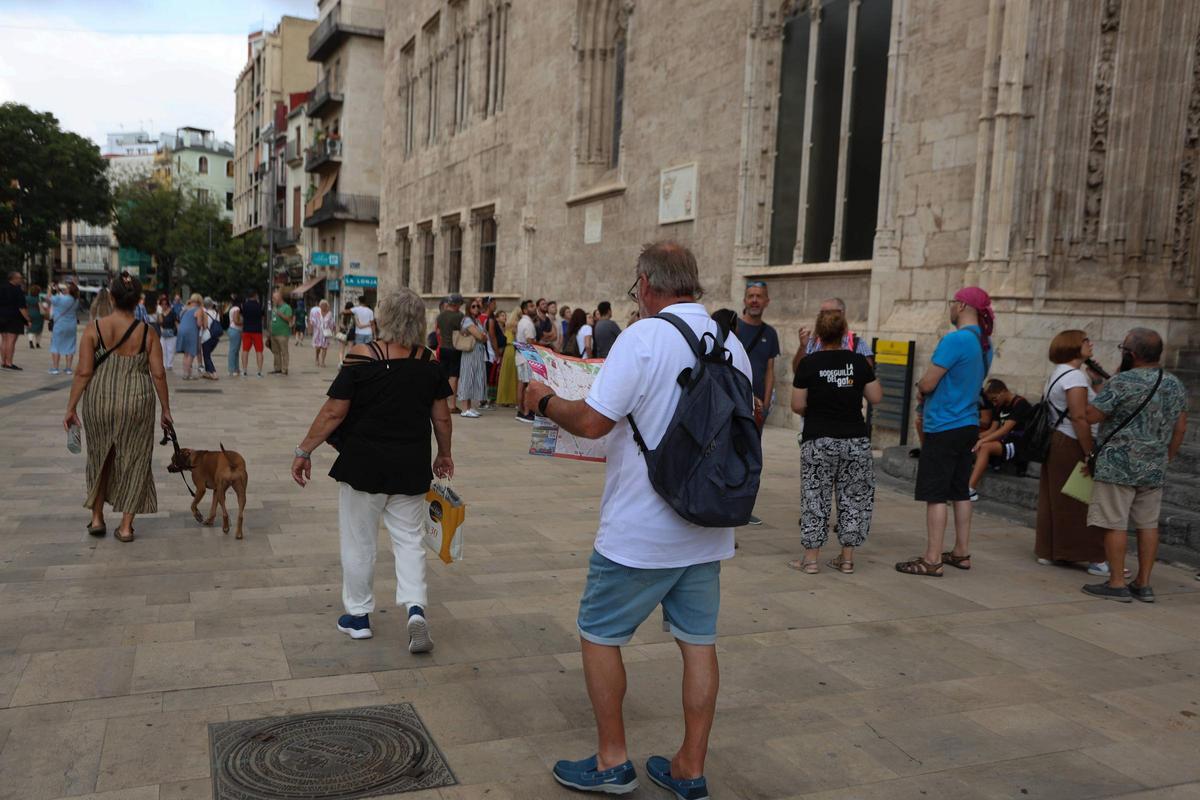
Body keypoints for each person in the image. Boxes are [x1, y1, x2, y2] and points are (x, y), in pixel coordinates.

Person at [524, 242, 750, 797]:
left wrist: (544, 401)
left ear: (646, 285)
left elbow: (593, 422)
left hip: (639, 531)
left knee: (598, 635)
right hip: (707, 524)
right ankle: (690, 770)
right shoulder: (733, 346)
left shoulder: (643, 338)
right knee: (699, 644)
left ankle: (612, 760)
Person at [291, 287, 453, 652]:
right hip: (410, 466)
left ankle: (359, 617)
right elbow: (441, 417)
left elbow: (335, 411)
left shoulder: (362, 356)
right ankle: (415, 609)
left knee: (359, 541)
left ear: (384, 318)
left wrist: (305, 450)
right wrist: (444, 454)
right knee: (409, 541)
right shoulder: (429, 362)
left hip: (363, 464)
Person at [1081, 328, 1188, 603]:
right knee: (1147, 525)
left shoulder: (1122, 382)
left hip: (1118, 465)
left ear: (1132, 354)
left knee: (1115, 523)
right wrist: (1167, 457)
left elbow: (1091, 416)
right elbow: (1180, 428)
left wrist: (1101, 386)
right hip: (1153, 466)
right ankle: (1144, 583)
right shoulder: (1174, 383)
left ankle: (1117, 583)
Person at [63, 273, 171, 543]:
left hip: (100, 400)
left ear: (111, 298)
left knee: (100, 457)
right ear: (138, 302)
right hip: (137, 401)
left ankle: (97, 518)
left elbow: (84, 372)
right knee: (135, 459)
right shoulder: (148, 333)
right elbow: (158, 374)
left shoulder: (94, 329)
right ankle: (125, 526)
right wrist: (166, 410)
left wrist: (71, 407)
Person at [897, 287, 994, 577]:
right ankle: (961, 552)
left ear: (962, 305)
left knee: (936, 494)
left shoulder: (956, 339)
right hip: (967, 424)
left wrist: (919, 390)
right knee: (960, 490)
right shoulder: (984, 344)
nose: (950, 307)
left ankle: (932, 558)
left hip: (943, 424)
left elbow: (928, 383)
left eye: (952, 303)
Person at [790, 309, 883, 574]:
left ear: (818, 334)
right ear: (845, 333)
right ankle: (847, 559)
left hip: (818, 439)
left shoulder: (809, 363)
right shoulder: (858, 362)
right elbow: (876, 397)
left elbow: (797, 405)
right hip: (854, 439)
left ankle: (810, 560)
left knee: (814, 497)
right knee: (854, 497)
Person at [1035, 330, 1110, 573]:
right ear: (1074, 346)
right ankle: (1093, 558)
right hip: (1071, 442)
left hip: (1058, 440)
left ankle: (1051, 550)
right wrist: (1090, 452)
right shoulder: (1075, 378)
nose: (1091, 343)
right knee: (1080, 501)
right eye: (1086, 340)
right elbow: (1080, 417)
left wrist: (1096, 380)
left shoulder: (1059, 374)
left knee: (1054, 498)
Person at [968, 379, 1033, 500]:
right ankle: (991, 464)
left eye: (994, 399)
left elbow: (1004, 430)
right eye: (991, 401)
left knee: (984, 446)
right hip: (1003, 440)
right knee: (973, 440)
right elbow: (993, 429)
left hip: (1018, 443)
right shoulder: (999, 406)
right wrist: (977, 437)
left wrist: (982, 441)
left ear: (1003, 392)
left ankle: (971, 489)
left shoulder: (1020, 404)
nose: (993, 403)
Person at [792, 297, 875, 373]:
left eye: (828, 313)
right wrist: (802, 347)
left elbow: (868, 374)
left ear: (842, 314)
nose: (823, 318)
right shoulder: (811, 342)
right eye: (821, 314)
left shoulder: (856, 343)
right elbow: (797, 371)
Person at [455, 298, 489, 418]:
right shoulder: (468, 320)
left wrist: (483, 336)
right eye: (473, 306)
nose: (476, 308)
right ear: (469, 308)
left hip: (477, 352)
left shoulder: (476, 320)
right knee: (467, 377)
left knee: (473, 377)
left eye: (477, 306)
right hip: (470, 352)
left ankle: (469, 407)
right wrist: (482, 336)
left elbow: (485, 336)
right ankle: (464, 408)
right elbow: (480, 336)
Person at [435, 294, 465, 412]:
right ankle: (452, 405)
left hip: (442, 348)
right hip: (454, 348)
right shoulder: (459, 316)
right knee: (453, 377)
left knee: (443, 376)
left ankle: (441, 402)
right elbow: (463, 330)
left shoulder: (440, 316)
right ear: (457, 304)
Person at [0, 272, 30, 370]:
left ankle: (3, 362)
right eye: (20, 278)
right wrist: (28, 319)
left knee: (4, 340)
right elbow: (22, 308)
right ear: (13, 279)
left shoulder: (2, 287)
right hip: (14, 317)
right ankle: (9, 363)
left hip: (2, 316)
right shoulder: (18, 290)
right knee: (11, 341)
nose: (21, 280)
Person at [49, 282, 81, 375]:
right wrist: (59, 291)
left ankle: (55, 368)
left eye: (66, 288)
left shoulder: (60, 298)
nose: (64, 289)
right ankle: (68, 368)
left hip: (59, 324)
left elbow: (49, 298)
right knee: (70, 345)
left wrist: (51, 288)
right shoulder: (76, 300)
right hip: (71, 325)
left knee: (56, 345)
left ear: (69, 290)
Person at [514, 299, 538, 421]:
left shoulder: (523, 322)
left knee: (522, 384)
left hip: (521, 357)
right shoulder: (527, 323)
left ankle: (521, 410)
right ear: (525, 310)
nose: (534, 308)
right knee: (527, 385)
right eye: (531, 306)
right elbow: (530, 342)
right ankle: (526, 412)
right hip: (526, 357)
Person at [174, 294, 206, 380]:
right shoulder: (199, 310)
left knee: (186, 354)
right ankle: (188, 374)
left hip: (181, 330)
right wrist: (203, 324)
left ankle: (186, 373)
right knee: (191, 353)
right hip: (191, 331)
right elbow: (199, 324)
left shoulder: (185, 308)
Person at [240, 289, 265, 378]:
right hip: (257, 331)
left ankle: (244, 371)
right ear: (255, 296)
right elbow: (262, 318)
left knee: (245, 350)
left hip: (246, 330)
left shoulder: (244, 306)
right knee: (259, 351)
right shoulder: (259, 306)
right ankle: (259, 372)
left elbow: (242, 317)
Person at [496, 309, 519, 407]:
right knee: (507, 374)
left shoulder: (508, 327)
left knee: (510, 375)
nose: (504, 317)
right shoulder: (507, 328)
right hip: (508, 350)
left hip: (510, 349)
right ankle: (505, 399)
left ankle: (509, 399)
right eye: (502, 315)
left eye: (505, 315)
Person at [269, 289, 293, 376]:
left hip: (283, 334)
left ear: (279, 298)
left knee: (284, 352)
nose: (272, 300)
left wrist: (278, 312)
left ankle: (284, 369)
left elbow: (289, 319)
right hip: (274, 334)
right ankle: (277, 368)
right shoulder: (275, 308)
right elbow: (272, 320)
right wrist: (270, 331)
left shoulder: (287, 307)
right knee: (276, 352)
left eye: (274, 298)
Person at [200, 298, 223, 380]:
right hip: (215, 337)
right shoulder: (216, 313)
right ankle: (208, 372)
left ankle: (213, 372)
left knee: (206, 356)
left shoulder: (204, 313)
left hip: (206, 337)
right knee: (207, 354)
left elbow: (205, 326)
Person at [310, 299, 334, 367]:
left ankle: (323, 361)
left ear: (327, 306)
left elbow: (332, 323)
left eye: (325, 305)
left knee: (324, 348)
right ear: (320, 306)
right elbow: (312, 321)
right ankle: (317, 358)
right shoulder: (316, 313)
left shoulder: (329, 313)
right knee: (318, 348)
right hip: (317, 333)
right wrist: (311, 329)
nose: (323, 307)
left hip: (326, 333)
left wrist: (332, 330)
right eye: (322, 305)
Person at [25, 282, 45, 351]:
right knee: (39, 330)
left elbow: (25, 306)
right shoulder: (39, 298)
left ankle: (30, 342)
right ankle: (37, 343)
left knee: (30, 329)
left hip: (29, 313)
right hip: (38, 314)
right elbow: (42, 307)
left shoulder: (27, 298)